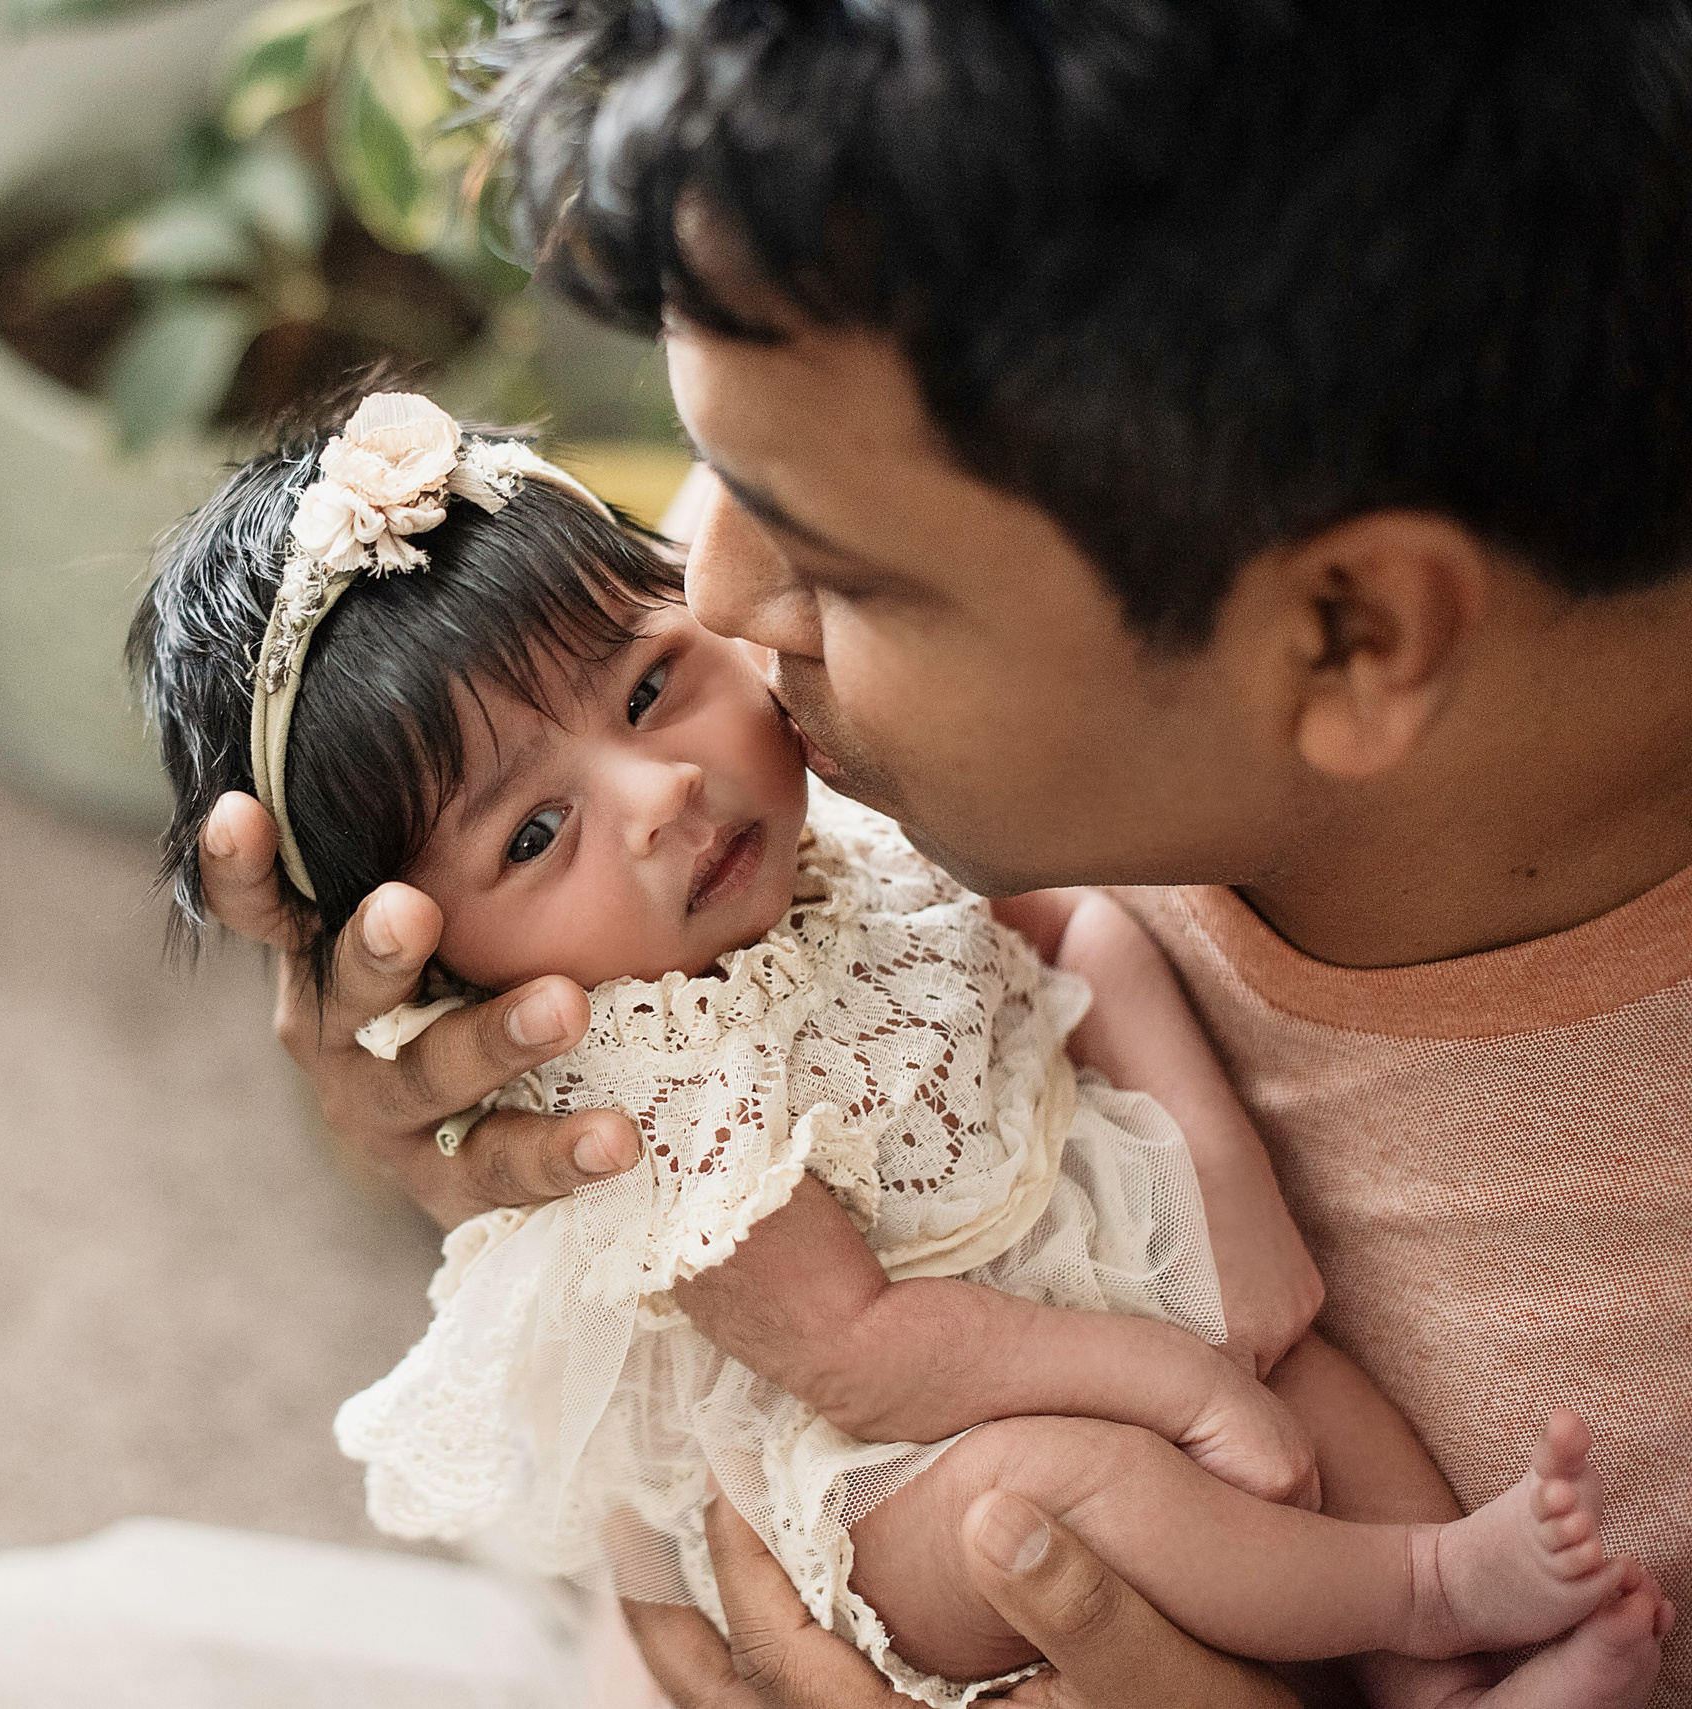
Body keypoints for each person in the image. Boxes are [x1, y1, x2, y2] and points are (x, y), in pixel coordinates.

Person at [190, 3, 1692, 1705]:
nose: (719, 606)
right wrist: (454, 1074)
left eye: (835, 559)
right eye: (713, 470)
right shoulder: (904, 487)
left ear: (1347, 630)